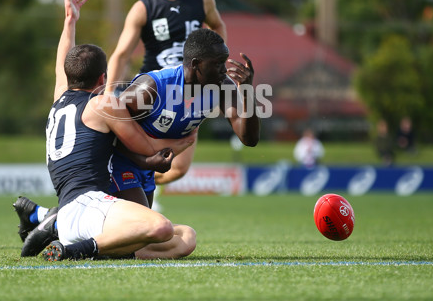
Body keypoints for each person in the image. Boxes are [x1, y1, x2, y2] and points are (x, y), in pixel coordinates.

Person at [18, 27, 261, 256]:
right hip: (124, 163)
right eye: (218, 64)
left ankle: (53, 223)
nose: (224, 70)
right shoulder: (150, 87)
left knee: (148, 238)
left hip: (150, 164)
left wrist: (247, 90)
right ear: (196, 65)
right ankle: (61, 228)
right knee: (148, 231)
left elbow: (249, 139)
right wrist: (145, 159)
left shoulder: (222, 87)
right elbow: (112, 132)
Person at [30, 0, 198, 261]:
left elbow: (63, 62)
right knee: (159, 226)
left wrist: (69, 22)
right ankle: (77, 251)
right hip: (90, 206)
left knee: (186, 239)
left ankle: (86, 241)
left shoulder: (60, 97)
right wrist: (185, 138)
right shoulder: (102, 104)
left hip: (76, 212)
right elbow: (148, 148)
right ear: (102, 79)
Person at [106, 0, 227, 189]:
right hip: (156, 93)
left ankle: (142, 184)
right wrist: (108, 93)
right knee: (141, 153)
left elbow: (218, 25)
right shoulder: (143, 8)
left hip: (190, 91)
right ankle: (125, 190)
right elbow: (121, 54)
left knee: (178, 169)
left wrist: (217, 62)